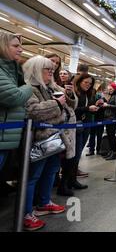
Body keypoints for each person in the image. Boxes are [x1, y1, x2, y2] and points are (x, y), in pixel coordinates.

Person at [22, 55, 76, 230]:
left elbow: (71, 104)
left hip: (55, 138)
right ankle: (26, 212)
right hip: (40, 139)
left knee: (52, 170)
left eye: (52, 70)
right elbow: (32, 111)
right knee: (33, 176)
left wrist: (68, 95)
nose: (52, 72)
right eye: (48, 70)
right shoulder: (28, 88)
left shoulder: (50, 87)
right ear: (37, 70)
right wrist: (55, 104)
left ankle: (44, 202)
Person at [0, 32, 32, 174]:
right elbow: (14, 96)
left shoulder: (10, 69)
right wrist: (29, 86)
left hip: (5, 138)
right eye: (15, 46)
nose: (21, 49)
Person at [73, 73, 97, 185]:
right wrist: (87, 108)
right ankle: (70, 179)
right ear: (79, 81)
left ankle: (72, 178)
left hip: (85, 125)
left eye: (90, 83)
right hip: (75, 126)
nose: (88, 85)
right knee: (75, 153)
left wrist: (96, 105)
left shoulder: (88, 94)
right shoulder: (75, 93)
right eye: (85, 82)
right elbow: (73, 109)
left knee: (79, 151)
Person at [101, 82, 116, 160]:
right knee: (110, 136)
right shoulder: (113, 96)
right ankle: (111, 151)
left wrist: (107, 105)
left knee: (112, 136)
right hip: (109, 118)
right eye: (109, 89)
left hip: (112, 119)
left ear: (114, 89)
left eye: (111, 89)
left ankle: (114, 153)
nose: (109, 90)